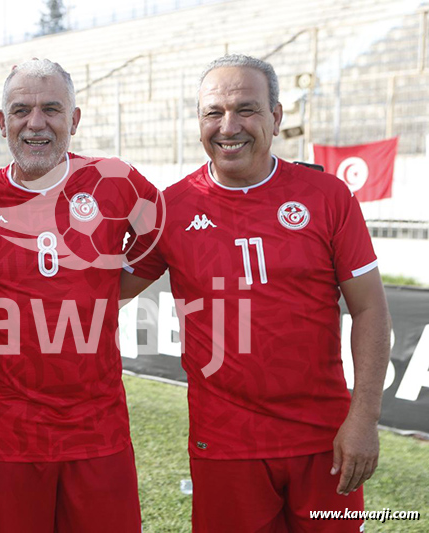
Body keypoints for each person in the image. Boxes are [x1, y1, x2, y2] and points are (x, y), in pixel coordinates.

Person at [121, 54, 392, 532]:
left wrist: (364, 419)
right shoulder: (170, 208)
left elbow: (370, 309)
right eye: (213, 113)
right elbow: (101, 288)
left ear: (276, 116)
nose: (229, 126)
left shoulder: (326, 197)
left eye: (246, 109)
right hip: (225, 446)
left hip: (323, 440)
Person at [0, 59, 161, 532]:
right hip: (3, 428)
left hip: (96, 426)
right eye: (21, 110)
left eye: (51, 109)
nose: (36, 123)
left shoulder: (117, 182)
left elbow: (160, 243)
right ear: (3, 123)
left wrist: (108, 290)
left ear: (74, 119)